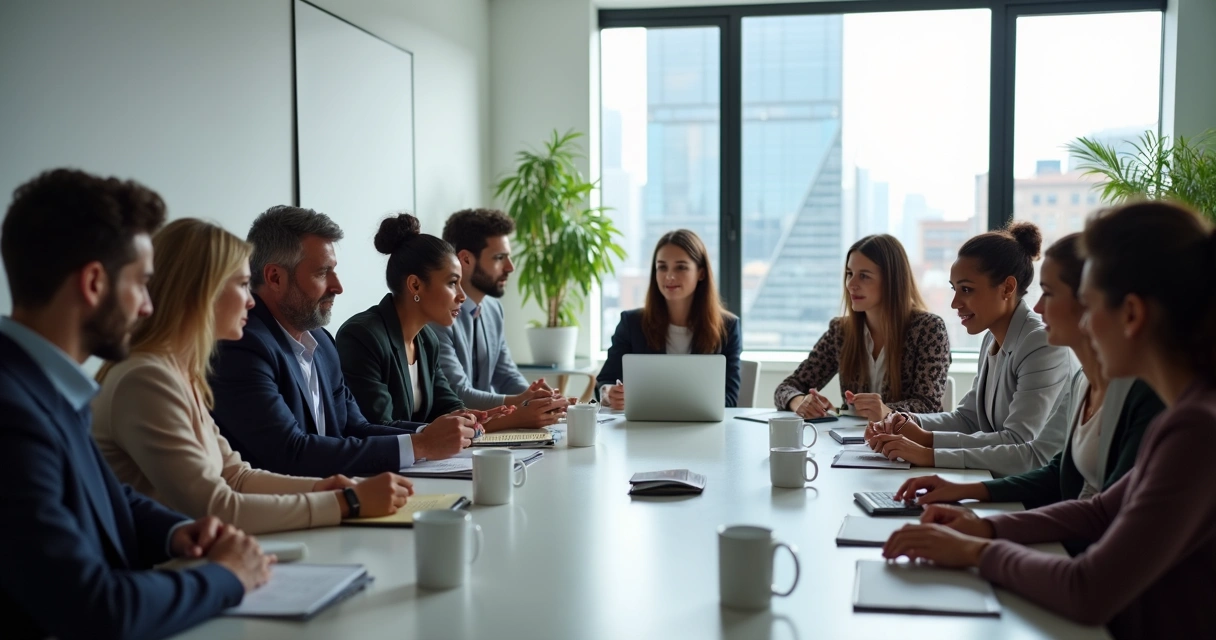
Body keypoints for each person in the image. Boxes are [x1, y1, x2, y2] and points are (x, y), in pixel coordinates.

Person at [881, 201, 1216, 639]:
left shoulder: (1196, 430)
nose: (1079, 324)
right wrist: (984, 525)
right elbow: (1099, 510)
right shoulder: (1189, 414)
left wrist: (976, 551)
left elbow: (1088, 589)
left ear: (1131, 315)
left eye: (1089, 305)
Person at [0, 169, 270, 640]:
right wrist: (226, 576)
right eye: (142, 283)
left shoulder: (40, 383)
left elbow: (105, 493)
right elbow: (95, 608)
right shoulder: (11, 411)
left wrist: (173, 532)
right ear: (93, 283)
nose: (148, 305)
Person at [92, 219, 415, 535]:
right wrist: (346, 503)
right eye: (243, 284)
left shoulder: (178, 372)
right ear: (201, 293)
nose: (250, 300)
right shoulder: (147, 379)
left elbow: (236, 476)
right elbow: (216, 507)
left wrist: (324, 488)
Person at [891, 234, 1164, 551]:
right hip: (1067, 540)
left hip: (1084, 555)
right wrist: (974, 511)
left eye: (1048, 293)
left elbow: (1031, 454)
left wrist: (980, 543)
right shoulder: (1084, 381)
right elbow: (1055, 473)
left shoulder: (1144, 397)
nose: (1036, 306)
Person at [209, 206, 481, 478]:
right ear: (275, 277)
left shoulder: (321, 341)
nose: (338, 286)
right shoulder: (241, 347)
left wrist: (427, 433)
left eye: (334, 271)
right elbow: (289, 453)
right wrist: (420, 444)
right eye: (321, 273)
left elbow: (355, 427)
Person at [866, 221, 1075, 477]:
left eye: (967, 289)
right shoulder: (992, 338)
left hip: (1035, 490)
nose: (955, 303)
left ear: (1008, 288)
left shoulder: (1041, 342)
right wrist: (909, 422)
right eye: (955, 289)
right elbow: (969, 418)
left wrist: (928, 446)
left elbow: (1018, 442)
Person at [337, 213, 516, 427]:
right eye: (452, 283)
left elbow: (448, 404)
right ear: (415, 285)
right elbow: (378, 425)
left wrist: (472, 417)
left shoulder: (427, 340)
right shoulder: (363, 336)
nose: (462, 295)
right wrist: (435, 432)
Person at [773, 234, 951, 421]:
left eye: (864, 276)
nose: (851, 284)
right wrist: (801, 402)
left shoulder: (929, 330)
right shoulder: (841, 331)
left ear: (892, 281)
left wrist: (883, 410)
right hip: (851, 443)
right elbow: (786, 388)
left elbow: (929, 406)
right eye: (850, 274)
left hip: (907, 444)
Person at [433, 207, 568, 428]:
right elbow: (458, 394)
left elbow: (504, 375)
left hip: (489, 429)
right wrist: (521, 402)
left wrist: (537, 398)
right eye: (499, 258)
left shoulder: (493, 309)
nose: (510, 267)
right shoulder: (436, 315)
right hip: (454, 435)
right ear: (465, 260)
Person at [597, 229, 743, 408]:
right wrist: (608, 393)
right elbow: (605, 381)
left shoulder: (727, 327)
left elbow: (729, 399)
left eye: (681, 267)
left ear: (701, 273)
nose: (669, 276)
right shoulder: (632, 323)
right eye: (662, 267)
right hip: (643, 430)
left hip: (702, 430)